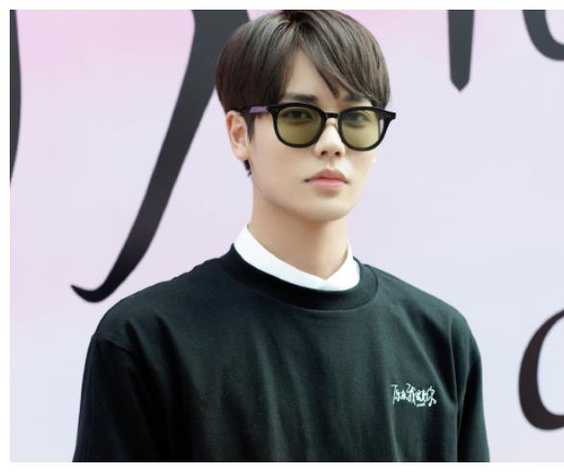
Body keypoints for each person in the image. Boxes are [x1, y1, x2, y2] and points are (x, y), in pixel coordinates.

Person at [72, 10, 489, 462]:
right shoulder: (146, 341)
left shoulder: (440, 340)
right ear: (239, 134)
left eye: (357, 118)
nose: (333, 142)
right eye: (299, 116)